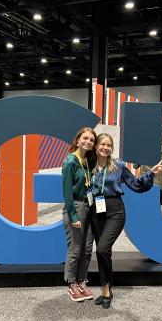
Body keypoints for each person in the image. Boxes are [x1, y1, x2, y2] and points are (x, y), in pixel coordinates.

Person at [89, 133, 162, 309]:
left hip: (115, 211)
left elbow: (136, 185)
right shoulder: (87, 165)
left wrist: (150, 174)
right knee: (103, 253)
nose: (105, 147)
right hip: (96, 211)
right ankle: (105, 289)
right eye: (102, 144)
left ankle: (107, 290)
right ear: (96, 146)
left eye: (109, 145)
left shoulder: (118, 165)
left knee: (102, 249)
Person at [62, 127, 97, 302]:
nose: (88, 142)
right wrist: (73, 216)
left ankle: (81, 281)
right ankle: (71, 284)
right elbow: (67, 193)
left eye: (91, 140)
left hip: (89, 207)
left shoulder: (87, 160)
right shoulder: (70, 162)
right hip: (75, 206)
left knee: (87, 249)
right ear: (77, 140)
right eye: (85, 138)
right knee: (75, 249)